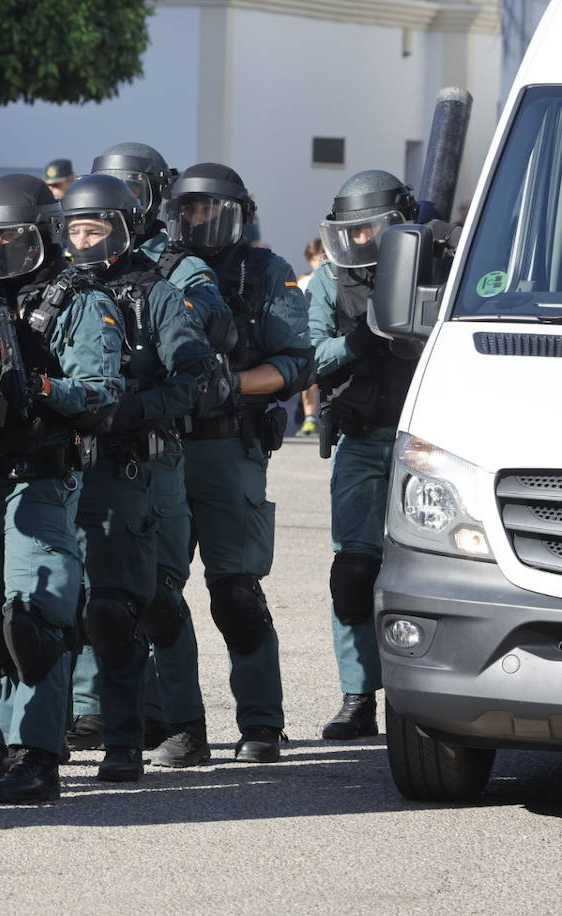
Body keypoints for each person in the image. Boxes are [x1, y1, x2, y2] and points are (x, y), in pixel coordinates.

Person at [0, 174, 121, 802]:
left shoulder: (80, 300)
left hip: (39, 474)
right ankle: (7, 739)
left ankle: (39, 753)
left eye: (6, 235)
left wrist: (44, 388)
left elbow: (100, 391)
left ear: (42, 234)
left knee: (33, 617)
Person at [58, 175, 232, 781]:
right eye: (75, 230)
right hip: (76, 465)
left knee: (152, 597)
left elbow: (203, 381)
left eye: (95, 229)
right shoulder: (59, 291)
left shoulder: (156, 292)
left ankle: (184, 725)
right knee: (78, 601)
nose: (84, 242)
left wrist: (133, 407)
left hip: (146, 460)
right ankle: (87, 720)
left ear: (125, 230)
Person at [159, 162, 312, 762]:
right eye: (187, 209)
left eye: (209, 209)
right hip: (163, 444)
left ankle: (262, 725)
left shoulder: (264, 270)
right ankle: (182, 727)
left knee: (236, 593)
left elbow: (296, 361)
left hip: (229, 443)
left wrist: (231, 385)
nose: (197, 219)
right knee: (158, 593)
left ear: (239, 215)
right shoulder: (157, 266)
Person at [308, 170, 419, 741]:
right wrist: (361, 338)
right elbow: (309, 356)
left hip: (423, 445)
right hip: (360, 438)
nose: (359, 241)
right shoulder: (332, 279)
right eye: (350, 232)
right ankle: (358, 698)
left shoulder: (435, 272)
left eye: (369, 229)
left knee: (427, 572)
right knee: (352, 574)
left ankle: (419, 698)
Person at [297, 237, 327, 436]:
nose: (320, 262)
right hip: (309, 335)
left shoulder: (335, 278)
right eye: (317, 258)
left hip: (327, 334)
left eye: (323, 257)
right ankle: (309, 417)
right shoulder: (304, 281)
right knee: (309, 379)